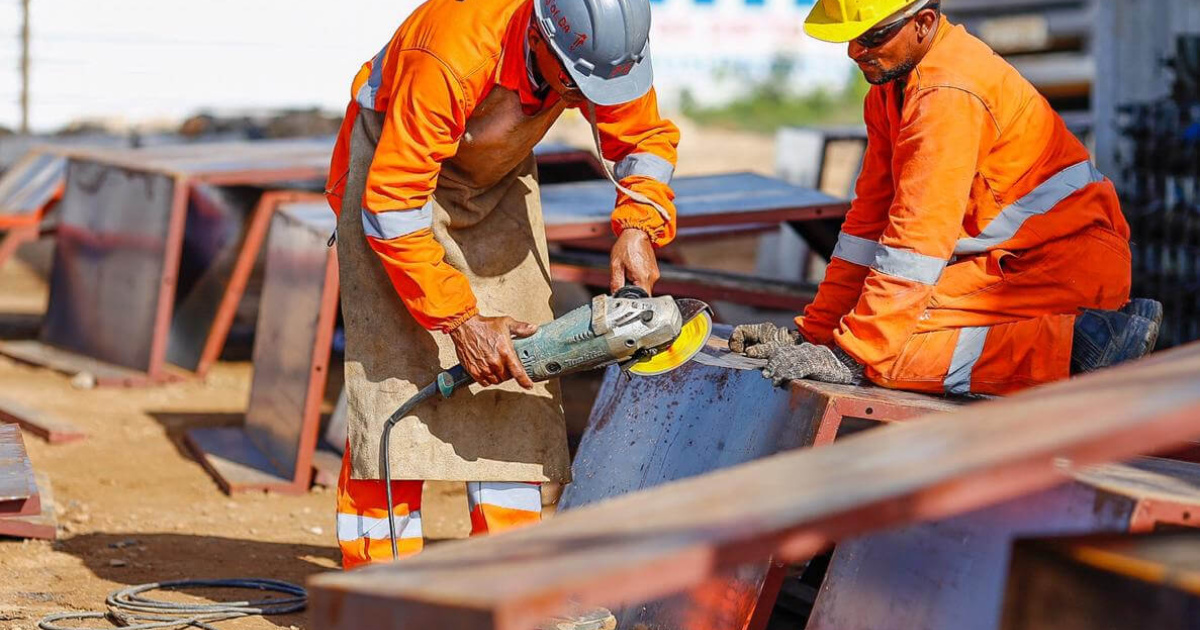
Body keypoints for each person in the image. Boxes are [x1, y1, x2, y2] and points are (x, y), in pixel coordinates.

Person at [324, 0, 679, 579]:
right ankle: (377, 586)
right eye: (572, 82)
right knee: (394, 386)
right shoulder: (450, 53)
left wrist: (639, 223)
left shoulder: (603, 51)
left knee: (526, 372)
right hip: (394, 189)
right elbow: (392, 206)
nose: (578, 95)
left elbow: (643, 139)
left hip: (491, 182)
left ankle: (508, 582)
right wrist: (461, 321)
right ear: (539, 36)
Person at [731, 0, 1161, 395]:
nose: (855, 51)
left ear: (924, 23)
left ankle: (1087, 345)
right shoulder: (890, 90)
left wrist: (849, 356)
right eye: (850, 38)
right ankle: (1093, 337)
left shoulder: (948, 93)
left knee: (890, 351)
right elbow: (869, 223)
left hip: (1063, 266)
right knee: (873, 333)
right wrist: (816, 334)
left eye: (872, 36)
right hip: (1024, 259)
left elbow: (916, 240)